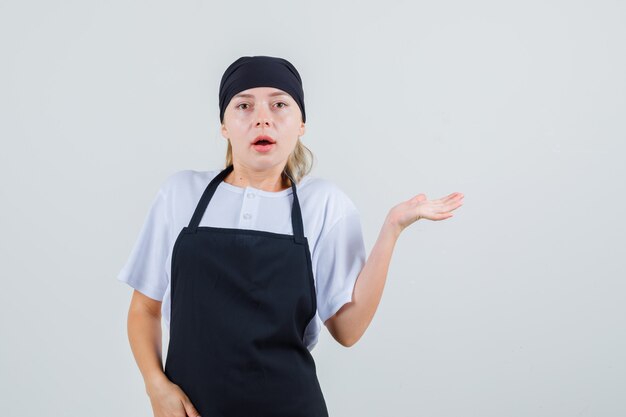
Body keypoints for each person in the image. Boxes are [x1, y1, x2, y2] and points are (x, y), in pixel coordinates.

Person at [117, 55, 464, 417]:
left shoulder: (325, 204)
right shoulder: (180, 194)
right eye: (244, 105)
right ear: (224, 125)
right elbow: (144, 309)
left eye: (279, 104)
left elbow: (348, 329)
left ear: (301, 124)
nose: (262, 117)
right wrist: (156, 386)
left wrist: (392, 229)